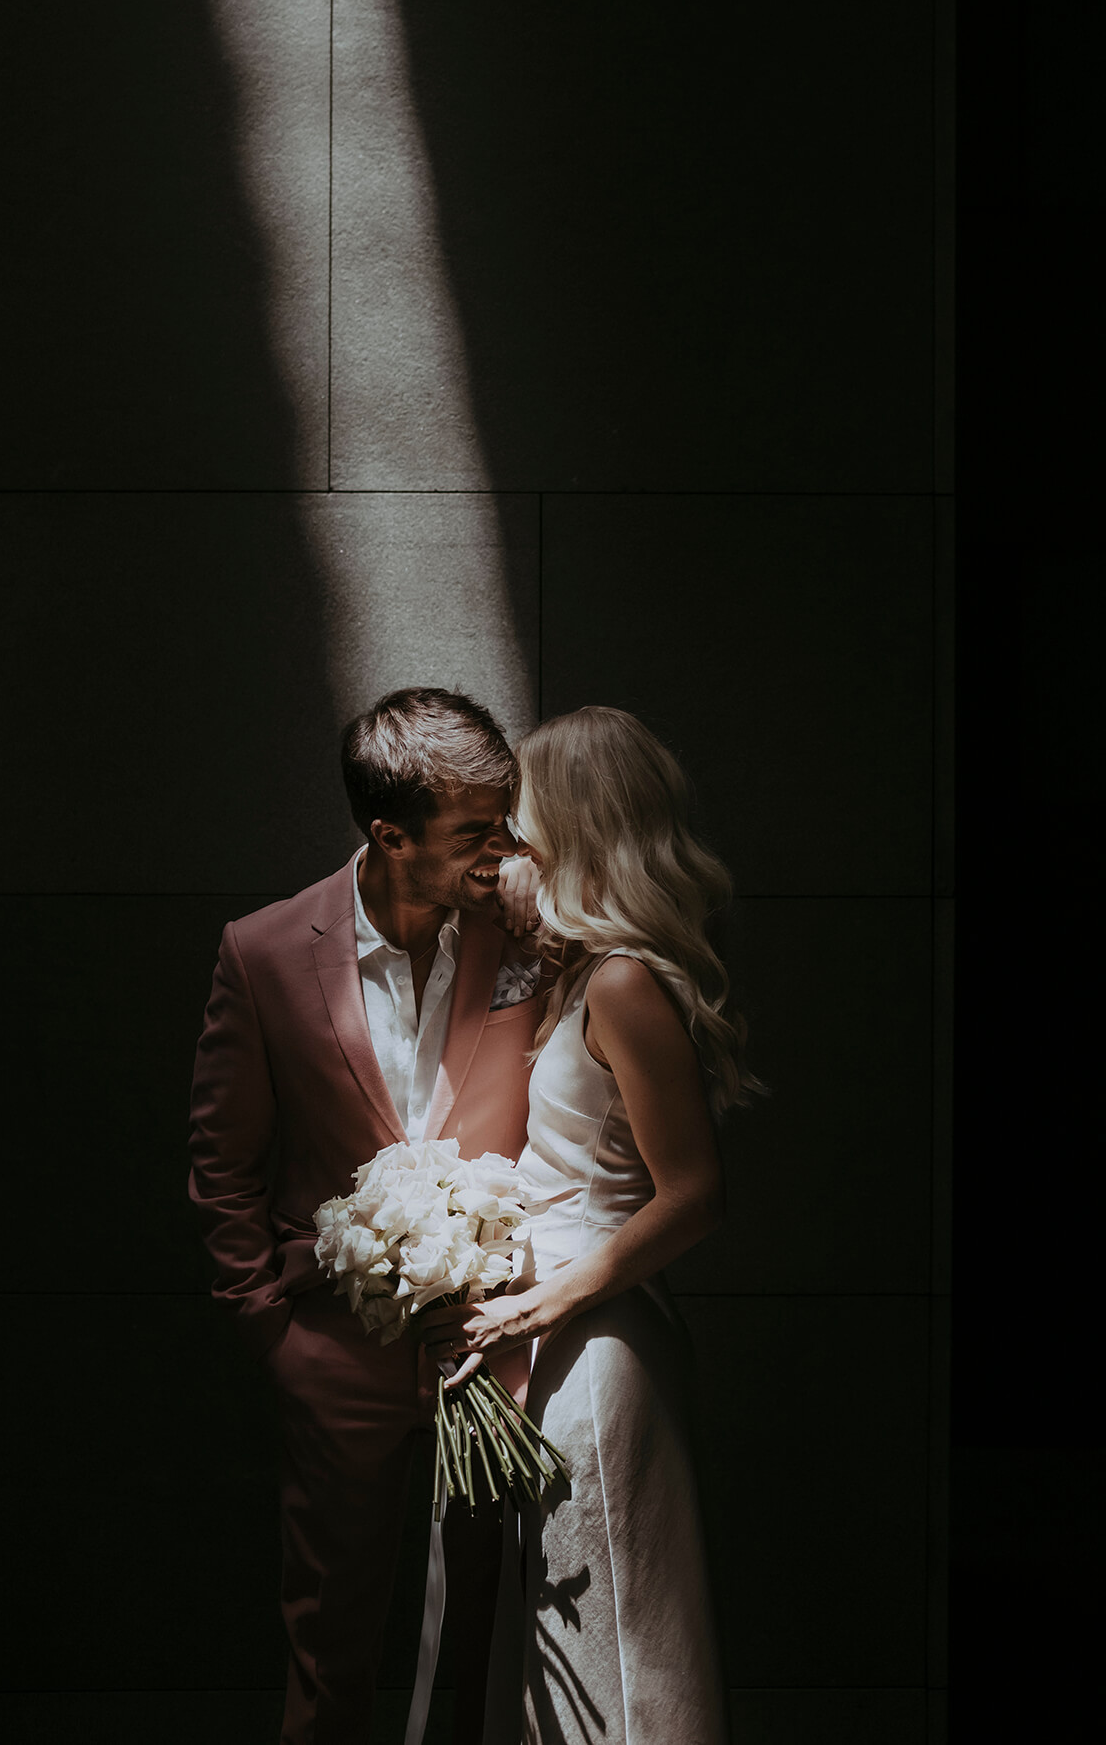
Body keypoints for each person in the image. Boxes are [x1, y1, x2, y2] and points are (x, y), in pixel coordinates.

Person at [188, 687, 545, 1745]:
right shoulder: (259, 952)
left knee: (493, 1628)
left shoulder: (523, 927)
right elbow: (222, 1162)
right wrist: (273, 1333)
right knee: (329, 1633)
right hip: (333, 1350)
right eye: (477, 829)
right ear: (390, 835)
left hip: (495, 1344)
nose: (504, 845)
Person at [420, 705, 762, 1745]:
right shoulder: (581, 970)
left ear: (574, 831)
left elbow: (692, 1192)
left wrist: (541, 1299)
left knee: (616, 1636)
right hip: (560, 1332)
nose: (506, 852)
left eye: (521, 829)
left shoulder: (621, 982)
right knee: (565, 1643)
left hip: (597, 1344)